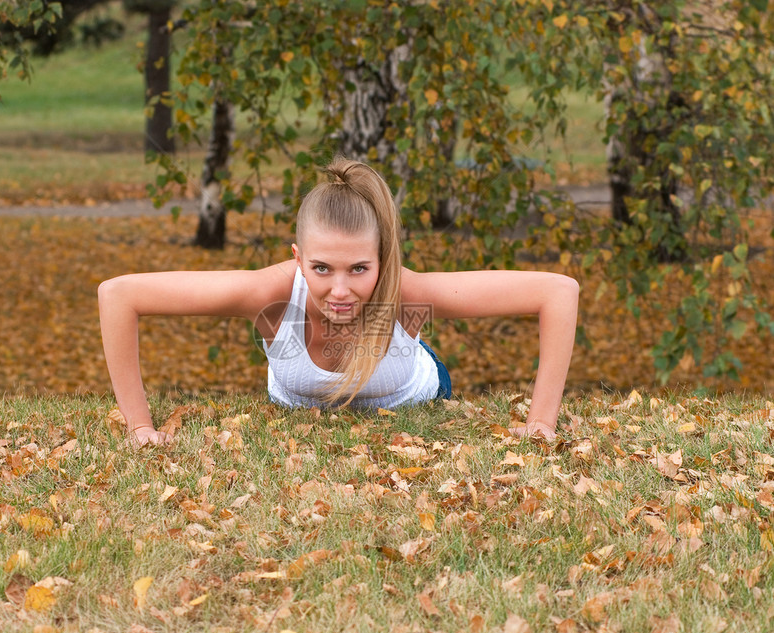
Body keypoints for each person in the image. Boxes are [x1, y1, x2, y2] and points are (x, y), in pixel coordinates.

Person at [98, 158, 579, 446]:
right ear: (298, 258)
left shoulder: (406, 293)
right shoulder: (269, 295)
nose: (341, 291)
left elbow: (557, 292)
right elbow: (119, 295)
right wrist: (141, 427)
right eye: (322, 268)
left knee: (410, 342)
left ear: (382, 261)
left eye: (360, 269)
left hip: (410, 390)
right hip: (299, 403)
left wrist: (540, 423)